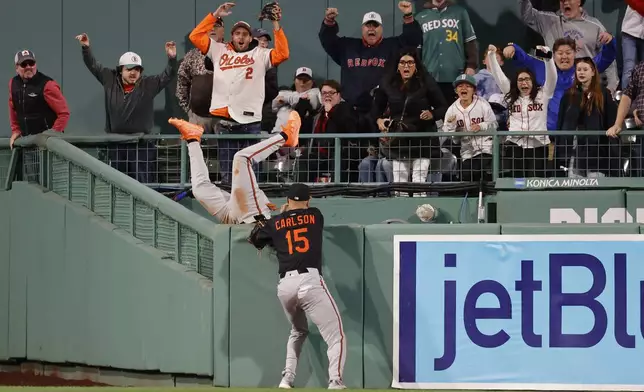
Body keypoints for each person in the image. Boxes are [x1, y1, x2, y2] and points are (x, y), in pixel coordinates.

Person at [246, 182, 347, 390]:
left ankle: (286, 379)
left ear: (288, 201)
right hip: (309, 281)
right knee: (336, 335)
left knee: (298, 331)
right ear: (308, 200)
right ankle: (335, 381)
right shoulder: (315, 215)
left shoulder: (275, 222)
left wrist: (269, 220)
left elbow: (255, 239)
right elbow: (302, 218)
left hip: (285, 286)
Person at [189, 2, 289, 184]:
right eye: (237, 34)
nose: (240, 37)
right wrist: (215, 15)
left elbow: (283, 53)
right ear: (232, 36)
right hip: (225, 121)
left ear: (251, 38)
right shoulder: (219, 50)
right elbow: (195, 36)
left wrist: (275, 24)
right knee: (228, 176)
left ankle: (251, 209)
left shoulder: (260, 54)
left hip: (250, 122)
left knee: (250, 176)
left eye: (244, 34)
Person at [166, 109, 301, 224]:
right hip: (253, 215)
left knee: (199, 189)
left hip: (236, 219)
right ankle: (285, 137)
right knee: (241, 158)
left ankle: (192, 139)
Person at [372, 49, 448, 185]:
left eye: (410, 63)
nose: (406, 66)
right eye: (402, 63)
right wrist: (379, 120)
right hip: (399, 141)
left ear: (416, 66)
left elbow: (443, 107)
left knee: (419, 181)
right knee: (400, 183)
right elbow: (375, 110)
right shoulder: (387, 83)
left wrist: (432, 114)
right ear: (397, 66)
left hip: (422, 140)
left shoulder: (427, 82)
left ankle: (421, 206)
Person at [488, 44, 557, 178]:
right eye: (520, 80)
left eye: (527, 79)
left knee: (536, 182)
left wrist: (548, 59)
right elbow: (499, 77)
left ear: (533, 81)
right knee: (517, 181)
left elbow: (552, 79)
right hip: (515, 145)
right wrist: (491, 56)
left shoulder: (543, 94)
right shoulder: (511, 96)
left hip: (539, 145)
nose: (524, 83)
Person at [558, 57, 618, 177]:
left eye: (585, 69)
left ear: (593, 72)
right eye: (579, 69)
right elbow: (561, 122)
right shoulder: (569, 94)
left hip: (597, 151)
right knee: (575, 187)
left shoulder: (604, 93)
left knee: (596, 185)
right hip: (574, 151)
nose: (581, 72)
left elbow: (612, 120)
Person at [9, 49, 70, 149]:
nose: (28, 67)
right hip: (27, 143)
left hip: (48, 147)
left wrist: (51, 135)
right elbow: (12, 107)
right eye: (24, 64)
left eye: (31, 63)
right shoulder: (13, 83)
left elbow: (64, 113)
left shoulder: (47, 85)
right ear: (17, 67)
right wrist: (16, 131)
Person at [442, 74, 498, 182]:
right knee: (466, 177)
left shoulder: (482, 104)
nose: (463, 88)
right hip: (466, 152)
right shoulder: (452, 110)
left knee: (479, 171)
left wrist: (480, 126)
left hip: (485, 148)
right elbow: (451, 137)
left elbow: (494, 124)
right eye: (460, 86)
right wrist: (453, 127)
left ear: (474, 90)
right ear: (456, 91)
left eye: (468, 86)